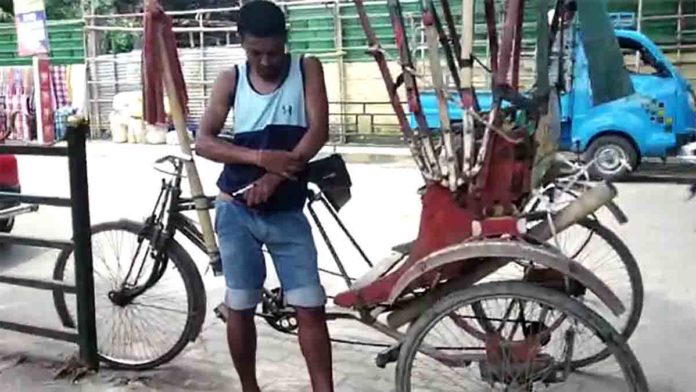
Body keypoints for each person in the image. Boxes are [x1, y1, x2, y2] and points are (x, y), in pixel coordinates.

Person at [195, 1, 333, 391]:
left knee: (310, 306)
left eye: (273, 51)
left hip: (287, 211)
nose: (267, 60)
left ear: (285, 42)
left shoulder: (307, 68)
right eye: (256, 52)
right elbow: (203, 142)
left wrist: (273, 178)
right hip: (236, 211)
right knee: (239, 306)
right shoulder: (231, 79)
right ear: (242, 44)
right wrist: (259, 158)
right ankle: (249, 388)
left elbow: (317, 132)